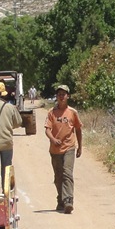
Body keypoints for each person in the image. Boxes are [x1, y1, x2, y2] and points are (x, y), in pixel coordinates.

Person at [44, 84, 82, 213]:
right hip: (55, 150)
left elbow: (78, 129)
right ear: (57, 96)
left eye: (63, 94)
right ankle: (60, 200)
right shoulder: (51, 113)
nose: (61, 97)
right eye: (59, 94)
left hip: (69, 147)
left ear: (68, 96)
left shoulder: (73, 112)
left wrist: (80, 147)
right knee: (58, 177)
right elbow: (47, 129)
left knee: (67, 173)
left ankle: (68, 201)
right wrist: (53, 140)